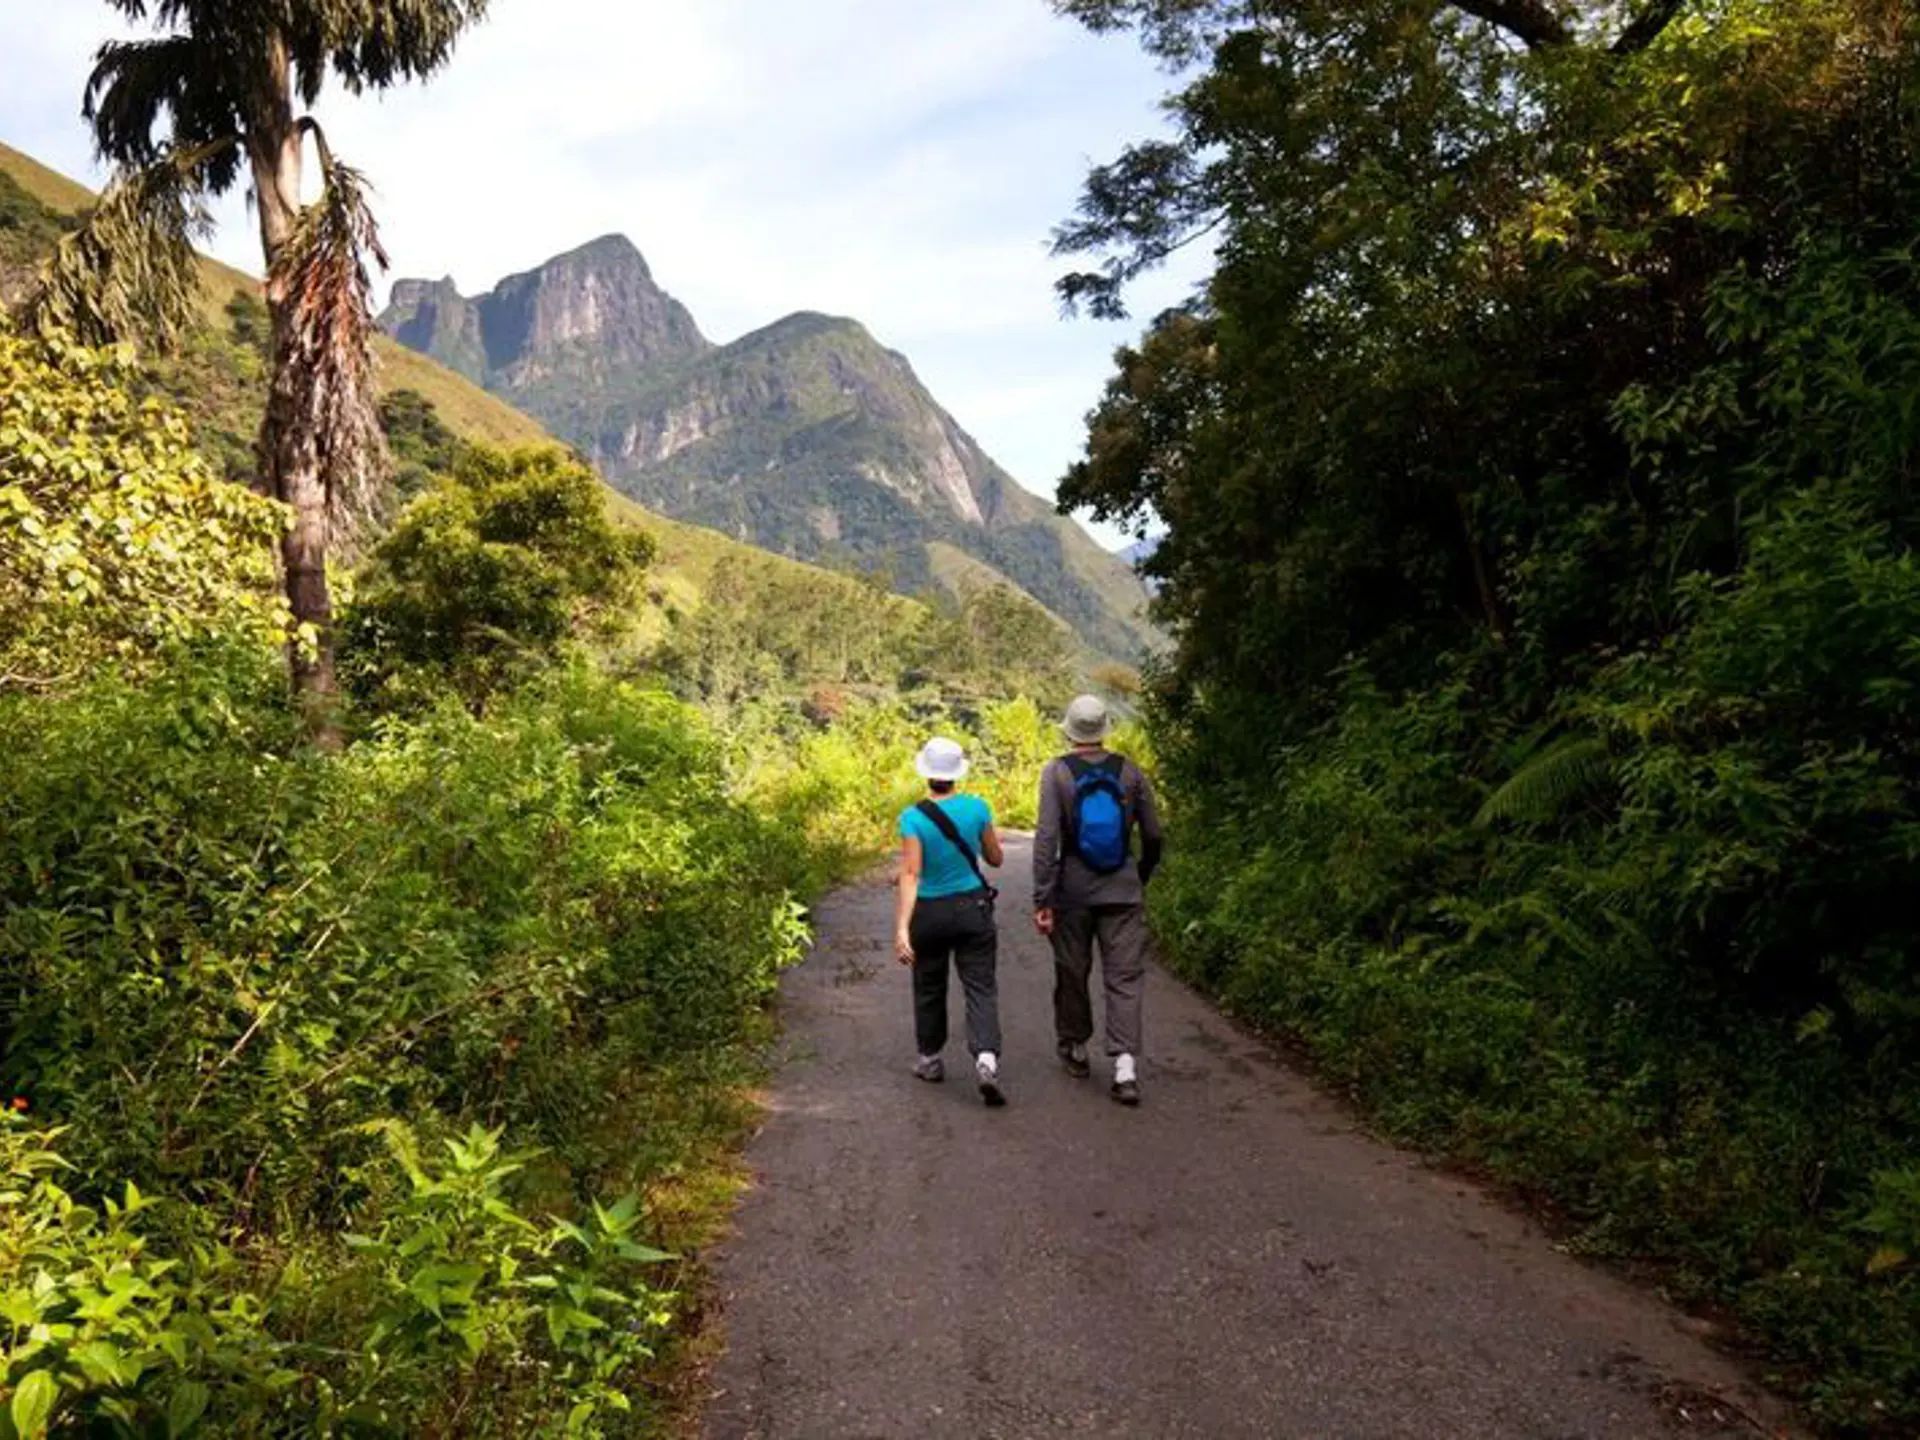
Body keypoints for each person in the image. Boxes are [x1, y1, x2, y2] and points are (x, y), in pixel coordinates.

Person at [1032, 694, 1163, 1106]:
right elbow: (1154, 835)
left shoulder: (1057, 773)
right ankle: (1124, 1067)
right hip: (1122, 888)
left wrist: (1042, 896)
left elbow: (1047, 838)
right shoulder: (1129, 772)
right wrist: (1138, 875)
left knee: (1073, 970)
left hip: (1072, 890)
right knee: (1123, 977)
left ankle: (1074, 1046)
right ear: (1105, 728)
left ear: (1070, 730)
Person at [894, 736, 1007, 1107]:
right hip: (972, 908)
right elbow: (995, 859)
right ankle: (987, 1058)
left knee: (929, 985)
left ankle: (929, 1059)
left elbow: (911, 874)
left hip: (930, 912)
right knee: (980, 985)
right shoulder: (978, 808)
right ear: (957, 774)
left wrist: (901, 928)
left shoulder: (912, 818)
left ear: (926, 774)